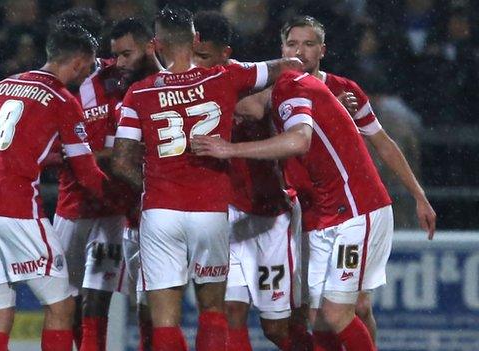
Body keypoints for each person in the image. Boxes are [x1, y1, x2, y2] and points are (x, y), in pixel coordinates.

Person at [111, 6, 301, 351]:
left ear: (156, 44)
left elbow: (121, 162)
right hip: (210, 211)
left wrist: (153, 186)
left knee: (164, 320)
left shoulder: (138, 93)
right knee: (213, 310)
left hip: (160, 212)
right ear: (197, 39)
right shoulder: (223, 77)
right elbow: (290, 67)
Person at [0, 24, 108, 351]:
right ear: (76, 62)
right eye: (87, 68)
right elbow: (86, 175)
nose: (87, 75)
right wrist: (132, 202)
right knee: (61, 305)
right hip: (16, 207)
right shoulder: (63, 100)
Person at [279, 15, 436, 344]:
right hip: (307, 212)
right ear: (282, 48)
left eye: (308, 44)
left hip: (349, 210)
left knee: (356, 306)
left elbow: (384, 143)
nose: (300, 51)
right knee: (315, 312)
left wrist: (419, 195)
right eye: (293, 44)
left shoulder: (345, 90)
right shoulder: (277, 93)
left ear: (322, 50)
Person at [193, 10, 310, 351]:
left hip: (270, 216)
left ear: (224, 55)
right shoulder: (184, 89)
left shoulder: (243, 81)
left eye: (203, 57)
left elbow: (280, 85)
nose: (195, 66)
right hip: (227, 216)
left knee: (277, 327)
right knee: (230, 311)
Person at [50, 8, 128, 351]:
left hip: (113, 204)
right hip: (72, 205)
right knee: (64, 298)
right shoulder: (52, 86)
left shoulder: (121, 77)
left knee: (98, 298)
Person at [110, 17, 162, 351]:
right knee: (145, 306)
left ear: (150, 46)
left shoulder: (176, 84)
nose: (119, 63)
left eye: (127, 54)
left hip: (186, 210)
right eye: (115, 56)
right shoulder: (122, 91)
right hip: (137, 217)